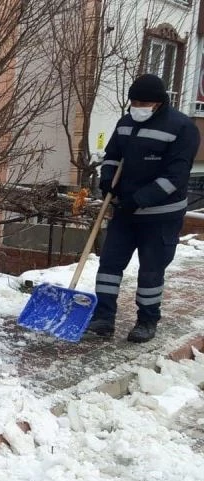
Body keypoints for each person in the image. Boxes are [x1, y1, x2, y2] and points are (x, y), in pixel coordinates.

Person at [87, 74, 200, 343]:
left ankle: (147, 321)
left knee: (151, 271)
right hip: (124, 213)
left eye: (143, 102)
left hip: (161, 216)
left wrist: (140, 199)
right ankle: (103, 318)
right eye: (134, 101)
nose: (138, 106)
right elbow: (113, 155)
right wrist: (107, 181)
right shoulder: (126, 122)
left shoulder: (182, 128)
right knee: (109, 266)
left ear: (159, 102)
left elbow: (176, 177)